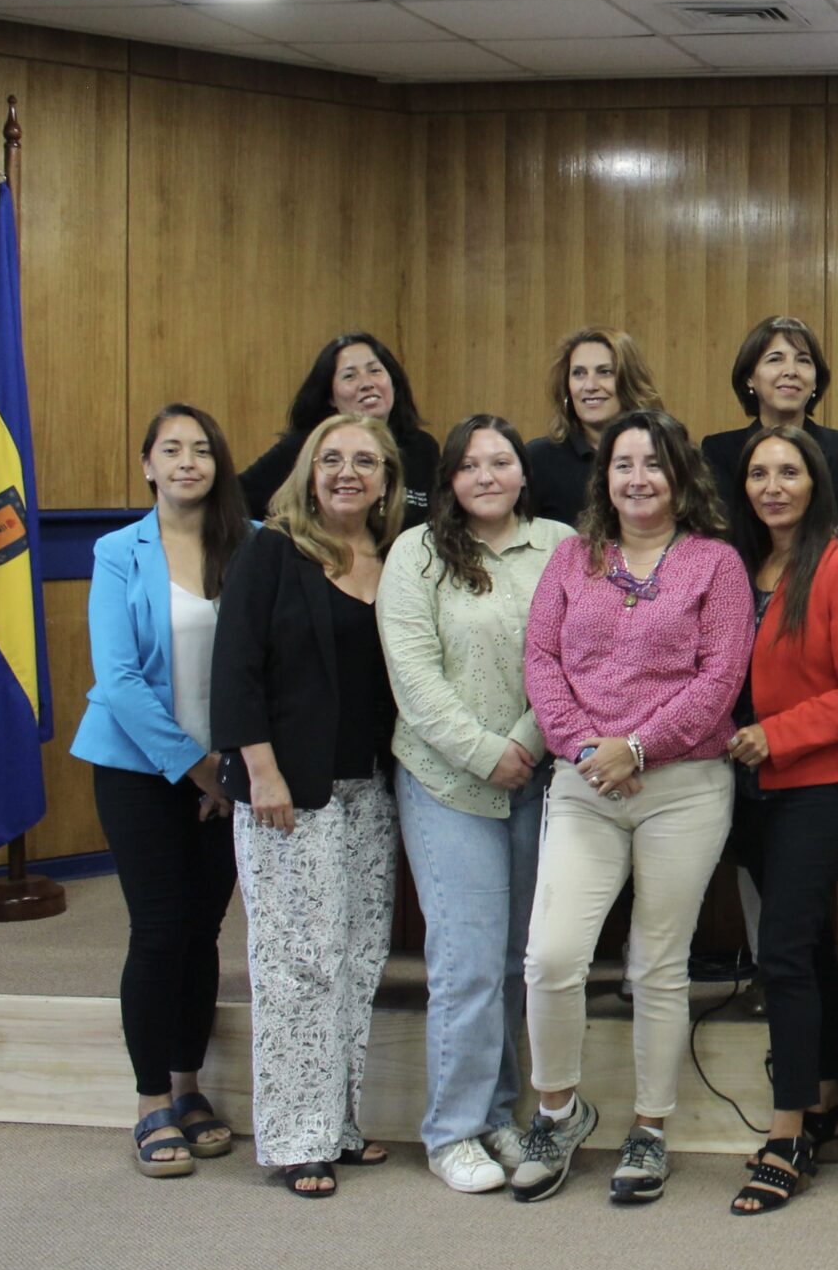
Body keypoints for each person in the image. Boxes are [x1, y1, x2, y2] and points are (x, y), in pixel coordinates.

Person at [516, 409, 752, 1205]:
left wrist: (639, 747)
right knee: (552, 956)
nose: (639, 477)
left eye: (654, 463)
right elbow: (541, 659)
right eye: (624, 464)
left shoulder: (715, 564)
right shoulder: (569, 559)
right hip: (584, 783)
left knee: (658, 963)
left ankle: (650, 1128)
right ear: (604, 479)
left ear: (680, 477)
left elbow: (720, 677)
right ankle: (559, 1109)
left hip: (681, 786)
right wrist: (588, 749)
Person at [375, 416, 571, 1194]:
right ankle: (450, 1129)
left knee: (514, 962)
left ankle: (497, 1112)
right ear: (449, 479)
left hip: (536, 775)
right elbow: (414, 679)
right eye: (469, 464)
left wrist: (526, 737)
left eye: (501, 460)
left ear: (524, 473)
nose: (486, 474)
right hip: (446, 781)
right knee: (465, 963)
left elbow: (566, 653)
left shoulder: (558, 544)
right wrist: (488, 752)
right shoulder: (414, 552)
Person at [211, 413, 405, 1198]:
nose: (348, 471)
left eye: (365, 460)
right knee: (296, 964)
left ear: (388, 478)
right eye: (332, 458)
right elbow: (235, 668)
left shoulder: (397, 559)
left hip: (371, 790)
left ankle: (339, 1121)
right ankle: (295, 1138)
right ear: (308, 470)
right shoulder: (269, 552)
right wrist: (261, 771)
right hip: (289, 795)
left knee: (356, 961)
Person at [72, 404, 252, 1178]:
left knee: (204, 927)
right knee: (159, 925)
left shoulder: (249, 547)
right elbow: (117, 679)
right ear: (147, 463)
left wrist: (227, 765)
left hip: (227, 768)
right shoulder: (119, 552)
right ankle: (150, 1101)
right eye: (171, 449)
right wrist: (193, 765)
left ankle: (189, 1088)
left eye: (201, 449)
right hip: (138, 768)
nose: (187, 461)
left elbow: (257, 662)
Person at [724, 426, 838, 1216]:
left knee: (784, 946)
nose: (773, 485)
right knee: (807, 945)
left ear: (814, 481)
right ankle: (826, 1094)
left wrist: (777, 734)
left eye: (788, 470)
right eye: (758, 472)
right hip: (742, 783)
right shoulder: (735, 566)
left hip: (818, 780)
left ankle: (787, 1128)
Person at [703, 315, 838, 539]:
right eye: (775, 359)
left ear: (816, 380)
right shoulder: (718, 452)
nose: (791, 371)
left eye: (803, 360)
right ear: (749, 378)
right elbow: (717, 537)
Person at [238, 332, 437, 518]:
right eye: (350, 376)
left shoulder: (423, 448)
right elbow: (232, 499)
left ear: (393, 382)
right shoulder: (304, 447)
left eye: (375, 370)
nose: (367, 383)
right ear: (330, 397)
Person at [523, 328, 666, 523]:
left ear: (629, 381)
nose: (590, 386)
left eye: (605, 372)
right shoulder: (538, 459)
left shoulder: (667, 451)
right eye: (579, 373)